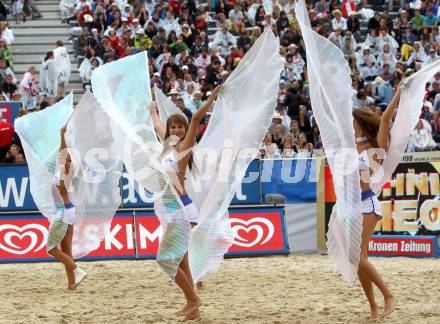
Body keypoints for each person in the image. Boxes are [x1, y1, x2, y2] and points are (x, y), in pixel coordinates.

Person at [149, 86, 221, 321]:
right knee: (182, 261)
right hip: (170, 207)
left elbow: (197, 118)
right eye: (174, 126)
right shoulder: (167, 145)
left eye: (181, 126)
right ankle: (194, 311)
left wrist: (211, 97)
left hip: (177, 209)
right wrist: (152, 109)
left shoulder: (183, 147)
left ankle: (192, 299)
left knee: (165, 260)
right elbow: (159, 125)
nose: (177, 129)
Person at [352, 85, 400, 320]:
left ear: (358, 122)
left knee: (358, 257)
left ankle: (388, 295)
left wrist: (398, 94)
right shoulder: (356, 146)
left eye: (352, 122)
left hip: (368, 203)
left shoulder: (375, 146)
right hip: (354, 204)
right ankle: (372, 307)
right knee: (359, 260)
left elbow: (385, 118)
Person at [46, 125, 86, 290]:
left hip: (63, 212)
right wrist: (62, 134)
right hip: (67, 210)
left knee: (51, 248)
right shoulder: (63, 167)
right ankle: (72, 284)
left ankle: (77, 271)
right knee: (66, 250)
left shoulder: (67, 170)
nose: (62, 154)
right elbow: (63, 151)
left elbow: (64, 157)